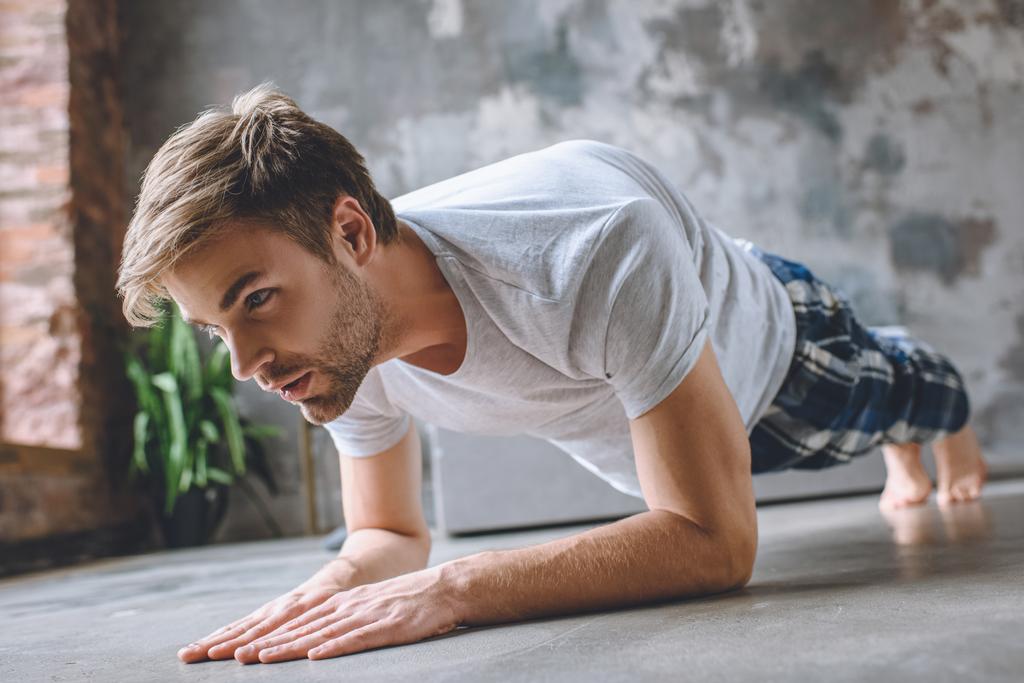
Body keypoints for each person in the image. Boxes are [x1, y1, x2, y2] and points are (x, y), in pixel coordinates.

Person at [116, 84, 987, 665]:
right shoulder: (333, 342)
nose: (246, 365)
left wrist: (457, 586)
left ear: (350, 234)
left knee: (908, 398)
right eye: (212, 329)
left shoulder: (592, 243)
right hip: (662, 404)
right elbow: (386, 531)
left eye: (256, 299)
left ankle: (934, 415)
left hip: (783, 366)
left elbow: (714, 540)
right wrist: (332, 589)